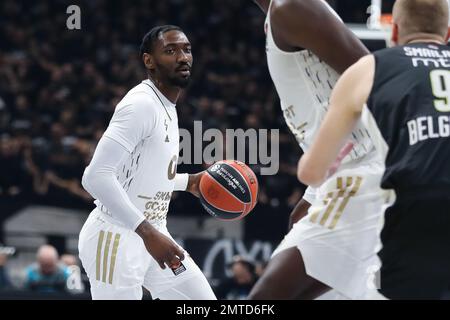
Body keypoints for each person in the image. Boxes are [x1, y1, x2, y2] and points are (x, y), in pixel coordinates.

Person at [298, 0, 450, 300]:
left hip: (412, 210)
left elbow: (310, 172)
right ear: (447, 33)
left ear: (392, 29)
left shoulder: (368, 68)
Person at [249, 0, 385, 300]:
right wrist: (316, 191)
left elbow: (377, 79)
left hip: (363, 172)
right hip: (345, 173)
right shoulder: (281, 13)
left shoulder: (291, 7)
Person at [79, 25, 216, 300]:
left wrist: (188, 181)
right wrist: (147, 233)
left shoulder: (166, 105)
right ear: (148, 61)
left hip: (153, 231)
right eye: (170, 50)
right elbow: (96, 177)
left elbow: (145, 173)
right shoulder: (141, 105)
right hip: (116, 236)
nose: (183, 57)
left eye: (187, 49)